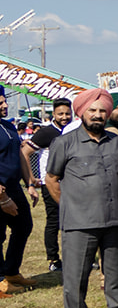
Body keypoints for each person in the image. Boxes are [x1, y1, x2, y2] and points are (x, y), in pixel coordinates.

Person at [44, 89, 118, 308]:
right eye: (92, 110)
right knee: (76, 277)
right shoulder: (64, 142)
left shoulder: (116, 141)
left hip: (114, 219)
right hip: (79, 222)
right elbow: (51, 179)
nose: (97, 115)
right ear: (81, 112)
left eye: (102, 110)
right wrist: (69, 206)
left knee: (116, 274)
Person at [17, 97, 72, 275]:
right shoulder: (47, 133)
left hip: (73, 183)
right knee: (54, 221)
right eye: (60, 114)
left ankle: (77, 256)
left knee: (75, 220)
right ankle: (53, 259)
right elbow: (25, 152)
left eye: (67, 113)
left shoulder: (74, 130)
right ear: (53, 114)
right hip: (51, 184)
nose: (64, 117)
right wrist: (31, 179)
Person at [0, 86, 35, 295]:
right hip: (0, 189)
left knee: (24, 226)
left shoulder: (8, 126)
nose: (5, 105)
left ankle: (11, 271)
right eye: (1, 102)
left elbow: (20, 155)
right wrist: (2, 196)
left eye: (4, 101)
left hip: (14, 187)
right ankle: (0, 280)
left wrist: (29, 183)